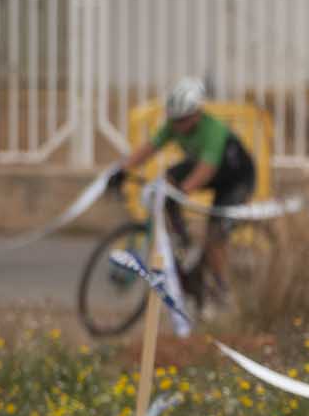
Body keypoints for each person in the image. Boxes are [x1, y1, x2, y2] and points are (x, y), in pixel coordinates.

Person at [106, 76, 257, 302]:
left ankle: (221, 289)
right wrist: (123, 170)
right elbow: (149, 148)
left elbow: (206, 170)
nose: (177, 126)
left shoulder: (213, 130)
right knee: (166, 181)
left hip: (236, 178)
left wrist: (182, 191)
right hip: (206, 168)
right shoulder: (175, 125)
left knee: (215, 235)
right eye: (174, 120)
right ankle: (182, 242)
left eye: (182, 120)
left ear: (196, 114)